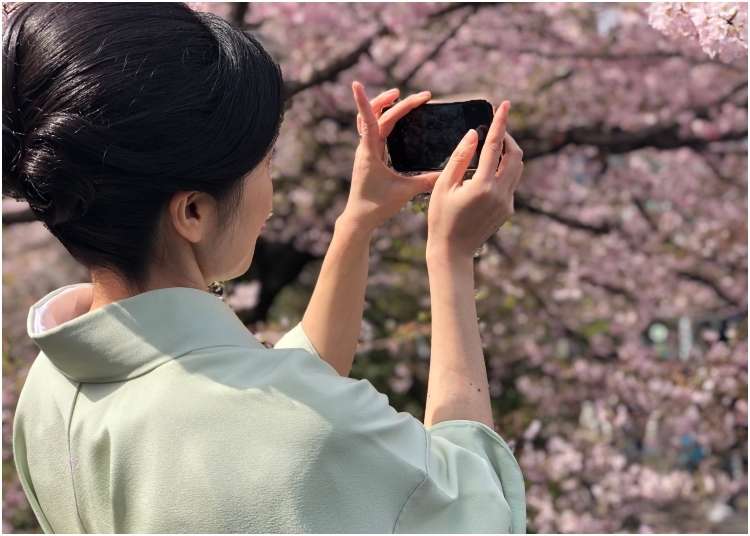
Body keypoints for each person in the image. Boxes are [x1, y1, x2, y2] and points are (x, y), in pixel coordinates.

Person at [5, 3, 526, 533]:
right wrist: (452, 259)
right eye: (267, 163)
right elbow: (478, 504)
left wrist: (360, 219)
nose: (271, 196)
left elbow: (283, 387)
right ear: (193, 212)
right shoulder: (308, 431)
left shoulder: (50, 389)